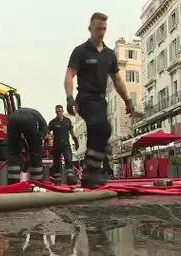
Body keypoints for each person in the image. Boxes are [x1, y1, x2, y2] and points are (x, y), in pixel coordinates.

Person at [65, 12, 135, 189]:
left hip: (100, 100)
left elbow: (117, 80)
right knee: (102, 127)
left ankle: (90, 175)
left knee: (100, 133)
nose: (101, 32)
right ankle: (92, 173)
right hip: (85, 99)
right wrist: (69, 98)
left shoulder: (109, 54)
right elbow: (69, 75)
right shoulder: (80, 51)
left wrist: (128, 100)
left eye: (104, 29)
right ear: (90, 29)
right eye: (98, 28)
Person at [6, 107, 48, 184]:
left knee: (13, 153)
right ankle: (36, 182)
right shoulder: (41, 121)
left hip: (12, 119)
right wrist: (38, 140)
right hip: (29, 119)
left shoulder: (20, 113)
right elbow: (41, 136)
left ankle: (12, 183)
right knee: (35, 153)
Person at [48, 105, 79, 185]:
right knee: (57, 163)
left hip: (66, 145)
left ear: (62, 111)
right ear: (55, 112)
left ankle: (70, 179)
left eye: (60, 111)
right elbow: (48, 134)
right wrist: (50, 144)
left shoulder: (67, 121)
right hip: (56, 146)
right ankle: (57, 181)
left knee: (68, 160)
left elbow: (72, 131)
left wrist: (75, 141)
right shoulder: (52, 122)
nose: (59, 113)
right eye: (57, 112)